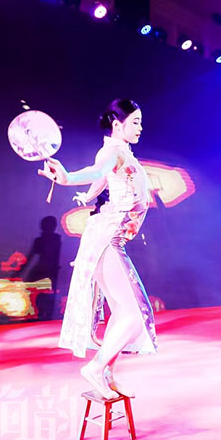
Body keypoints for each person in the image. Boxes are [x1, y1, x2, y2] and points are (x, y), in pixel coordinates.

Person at [39, 99, 157, 399]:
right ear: (117, 124)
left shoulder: (121, 152)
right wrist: (67, 178)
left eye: (140, 122)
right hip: (108, 239)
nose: (140, 127)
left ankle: (106, 373)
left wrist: (86, 195)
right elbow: (98, 169)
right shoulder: (112, 151)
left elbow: (102, 178)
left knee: (122, 311)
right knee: (135, 314)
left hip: (110, 238)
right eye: (135, 122)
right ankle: (96, 368)